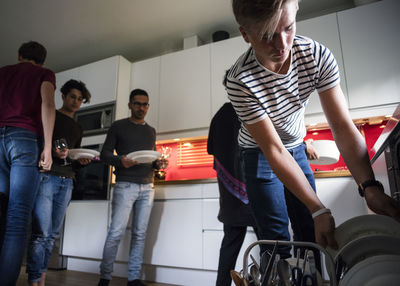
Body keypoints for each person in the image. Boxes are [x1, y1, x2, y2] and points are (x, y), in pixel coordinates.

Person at [225, 0, 400, 258]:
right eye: (267, 36)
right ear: (245, 35)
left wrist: (369, 186)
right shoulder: (240, 80)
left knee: (312, 231)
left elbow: (341, 126)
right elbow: (273, 149)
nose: (282, 45)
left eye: (288, 28)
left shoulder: (315, 55)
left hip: (296, 146)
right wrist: (319, 209)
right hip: (259, 153)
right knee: (276, 239)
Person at [26, 79, 92, 286]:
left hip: (67, 181)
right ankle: (34, 278)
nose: (76, 102)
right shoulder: (51, 115)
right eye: (72, 97)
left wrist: (80, 161)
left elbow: (71, 158)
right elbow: (40, 144)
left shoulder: (78, 127)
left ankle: (42, 277)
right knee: (41, 233)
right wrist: (52, 151)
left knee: (52, 234)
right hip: (47, 177)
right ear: (62, 96)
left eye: (80, 99)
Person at [0, 41, 56, 284]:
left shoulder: (3, 72)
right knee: (17, 217)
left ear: (19, 55)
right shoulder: (44, 74)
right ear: (41, 60)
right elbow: (48, 104)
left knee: (1, 213)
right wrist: (47, 147)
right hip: (23, 140)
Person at [98, 89, 160, 286]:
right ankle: (105, 278)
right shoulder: (118, 127)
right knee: (116, 232)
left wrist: (158, 164)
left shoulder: (151, 131)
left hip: (147, 186)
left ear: (148, 106)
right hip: (125, 185)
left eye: (145, 104)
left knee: (140, 234)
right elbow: (105, 154)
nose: (141, 108)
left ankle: (133, 278)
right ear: (130, 105)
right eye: (137, 103)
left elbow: (150, 158)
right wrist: (120, 161)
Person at [207, 102, 259, 286]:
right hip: (255, 188)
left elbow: (210, 149)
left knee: (230, 244)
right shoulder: (251, 109)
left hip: (230, 194)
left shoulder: (220, 114)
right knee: (270, 243)